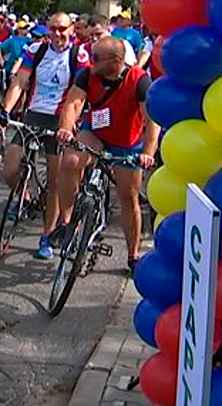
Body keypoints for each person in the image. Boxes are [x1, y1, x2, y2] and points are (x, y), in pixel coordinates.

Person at [56, 37, 158, 275]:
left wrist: (147, 153)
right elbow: (74, 103)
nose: (92, 62)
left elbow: (152, 121)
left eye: (97, 58)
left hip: (127, 142)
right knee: (70, 161)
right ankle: (67, 222)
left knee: (128, 197)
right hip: (96, 133)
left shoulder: (139, 81)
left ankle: (133, 254)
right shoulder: (87, 75)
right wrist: (66, 127)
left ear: (116, 61)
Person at [0, 12, 90, 260]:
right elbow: (20, 81)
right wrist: (6, 110)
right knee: (10, 169)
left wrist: (70, 124)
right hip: (33, 115)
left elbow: (80, 92)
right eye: (53, 29)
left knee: (54, 181)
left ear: (71, 29)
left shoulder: (79, 55)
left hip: (60, 118)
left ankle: (47, 234)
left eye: (62, 29)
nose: (58, 34)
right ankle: (26, 198)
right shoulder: (36, 49)